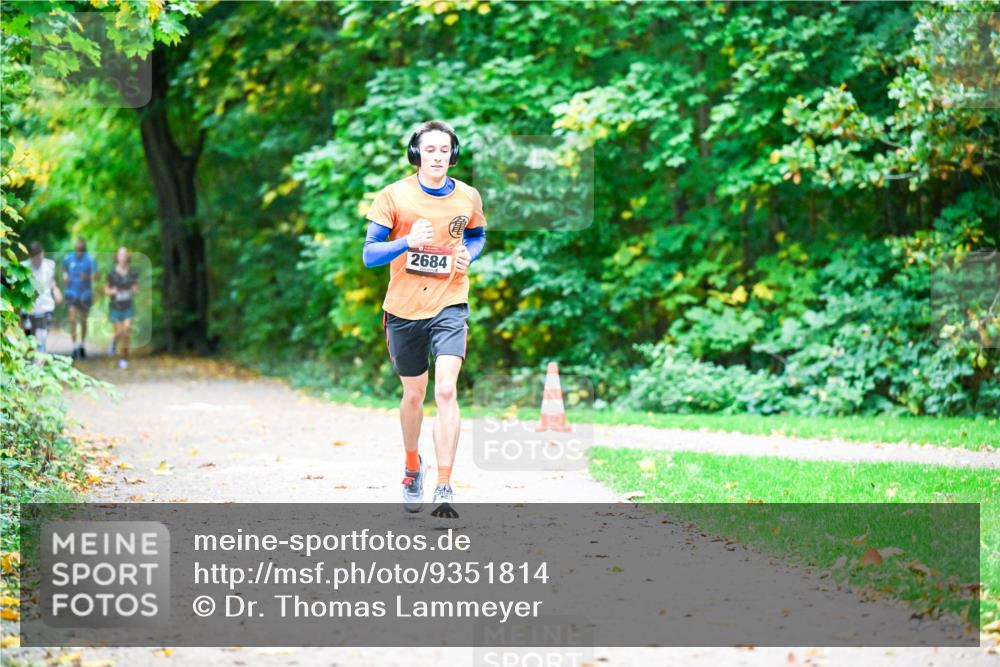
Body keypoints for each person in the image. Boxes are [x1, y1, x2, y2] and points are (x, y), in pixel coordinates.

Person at [362, 120, 487, 518]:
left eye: (444, 150)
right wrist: (406, 243)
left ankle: (445, 484)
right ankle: (413, 466)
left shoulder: (467, 196)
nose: (437, 157)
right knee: (414, 395)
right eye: (430, 150)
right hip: (403, 309)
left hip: (450, 301)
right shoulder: (393, 196)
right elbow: (369, 254)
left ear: (454, 154)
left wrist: (469, 255)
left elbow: (477, 235)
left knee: (446, 389)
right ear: (417, 154)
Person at [21, 241, 62, 353]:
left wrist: (56, 291)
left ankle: (40, 356)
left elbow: (52, 282)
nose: (39, 260)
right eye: (37, 258)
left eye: (41, 257)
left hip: (45, 306)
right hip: (28, 308)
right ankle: (32, 357)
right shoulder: (23, 267)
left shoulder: (49, 265)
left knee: (42, 336)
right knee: (30, 338)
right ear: (31, 257)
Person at [63, 237, 98, 360]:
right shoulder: (68, 258)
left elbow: (97, 276)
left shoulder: (90, 259)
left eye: (81, 249)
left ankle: (82, 345)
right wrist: (65, 277)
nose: (79, 250)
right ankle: (74, 347)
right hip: (71, 294)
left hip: (85, 295)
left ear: (84, 248)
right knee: (72, 319)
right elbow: (64, 271)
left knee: (83, 320)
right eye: (77, 248)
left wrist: (87, 277)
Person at [106, 246, 139, 370]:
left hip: (128, 306)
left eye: (124, 255)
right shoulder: (112, 273)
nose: (122, 257)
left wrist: (134, 290)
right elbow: (106, 289)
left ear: (127, 257)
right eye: (120, 255)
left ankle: (123, 358)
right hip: (115, 307)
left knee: (126, 331)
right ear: (117, 257)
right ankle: (114, 343)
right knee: (119, 332)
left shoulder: (132, 273)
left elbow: (136, 288)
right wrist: (112, 291)